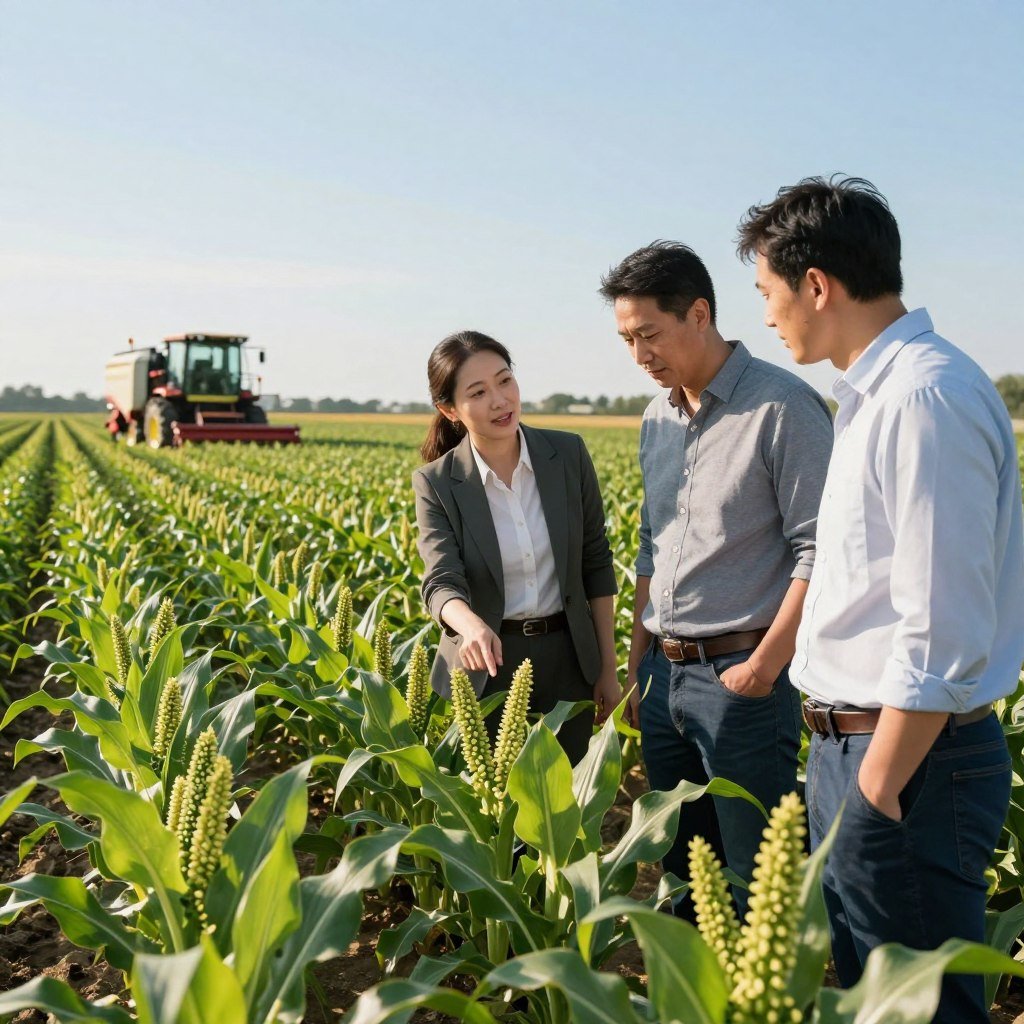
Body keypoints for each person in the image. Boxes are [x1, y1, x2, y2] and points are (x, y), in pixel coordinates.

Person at [737, 175, 1024, 1022]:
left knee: (927, 1010)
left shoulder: (923, 398)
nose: (765, 315)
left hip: (906, 765)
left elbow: (941, 628)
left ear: (816, 284)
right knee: (878, 1005)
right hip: (860, 755)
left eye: (766, 292)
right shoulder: (873, 395)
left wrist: (875, 786)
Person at [599, 242, 833, 915]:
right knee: (683, 873)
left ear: (699, 313)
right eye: (626, 339)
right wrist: (641, 663)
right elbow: (652, 545)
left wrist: (762, 668)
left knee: (755, 884)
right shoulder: (654, 419)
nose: (639, 354)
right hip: (664, 678)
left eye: (649, 334)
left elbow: (821, 551)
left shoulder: (783, 408)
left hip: (742, 682)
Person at [412, 330, 620, 764]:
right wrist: (469, 625)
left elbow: (595, 563)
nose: (499, 400)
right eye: (478, 392)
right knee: (494, 813)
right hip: (485, 667)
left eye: (505, 381)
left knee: (565, 812)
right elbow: (440, 581)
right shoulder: (437, 483)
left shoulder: (567, 454)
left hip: (569, 661)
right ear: (449, 409)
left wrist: (606, 667)